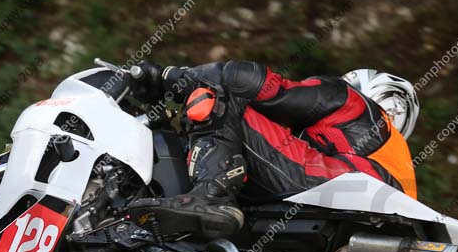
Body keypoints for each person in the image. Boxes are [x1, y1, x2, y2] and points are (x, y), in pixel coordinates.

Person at [128, 61, 419, 240]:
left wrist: (172, 77)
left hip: (340, 186)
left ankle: (212, 196)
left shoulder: (350, 100)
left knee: (220, 95)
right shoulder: (395, 160)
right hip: (369, 217)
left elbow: (265, 88)